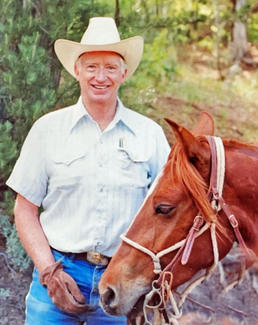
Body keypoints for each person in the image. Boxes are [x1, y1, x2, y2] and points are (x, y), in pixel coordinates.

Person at [6, 17, 170, 325]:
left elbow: (167, 214)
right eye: (92, 66)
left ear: (124, 73)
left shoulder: (150, 135)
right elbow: (24, 209)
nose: (101, 76)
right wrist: (48, 271)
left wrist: (149, 277)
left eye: (110, 67)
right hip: (59, 273)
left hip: (122, 281)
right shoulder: (47, 130)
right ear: (77, 71)